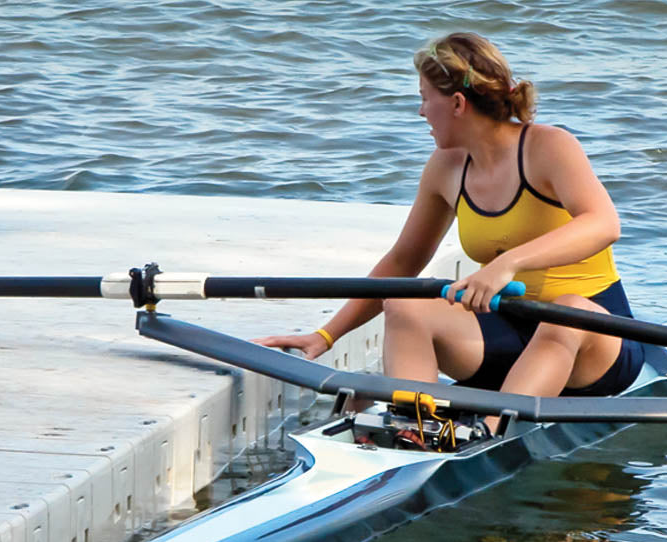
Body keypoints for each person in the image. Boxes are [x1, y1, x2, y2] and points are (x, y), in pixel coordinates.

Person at [257, 32, 644, 432]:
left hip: (596, 345)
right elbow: (403, 260)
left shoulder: (549, 147)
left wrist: (507, 264)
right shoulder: (445, 168)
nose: (421, 111)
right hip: (507, 336)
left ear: (458, 103)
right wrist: (325, 336)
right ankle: (417, 429)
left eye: (425, 98)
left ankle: (491, 435)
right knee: (405, 305)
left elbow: (603, 223)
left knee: (566, 311)